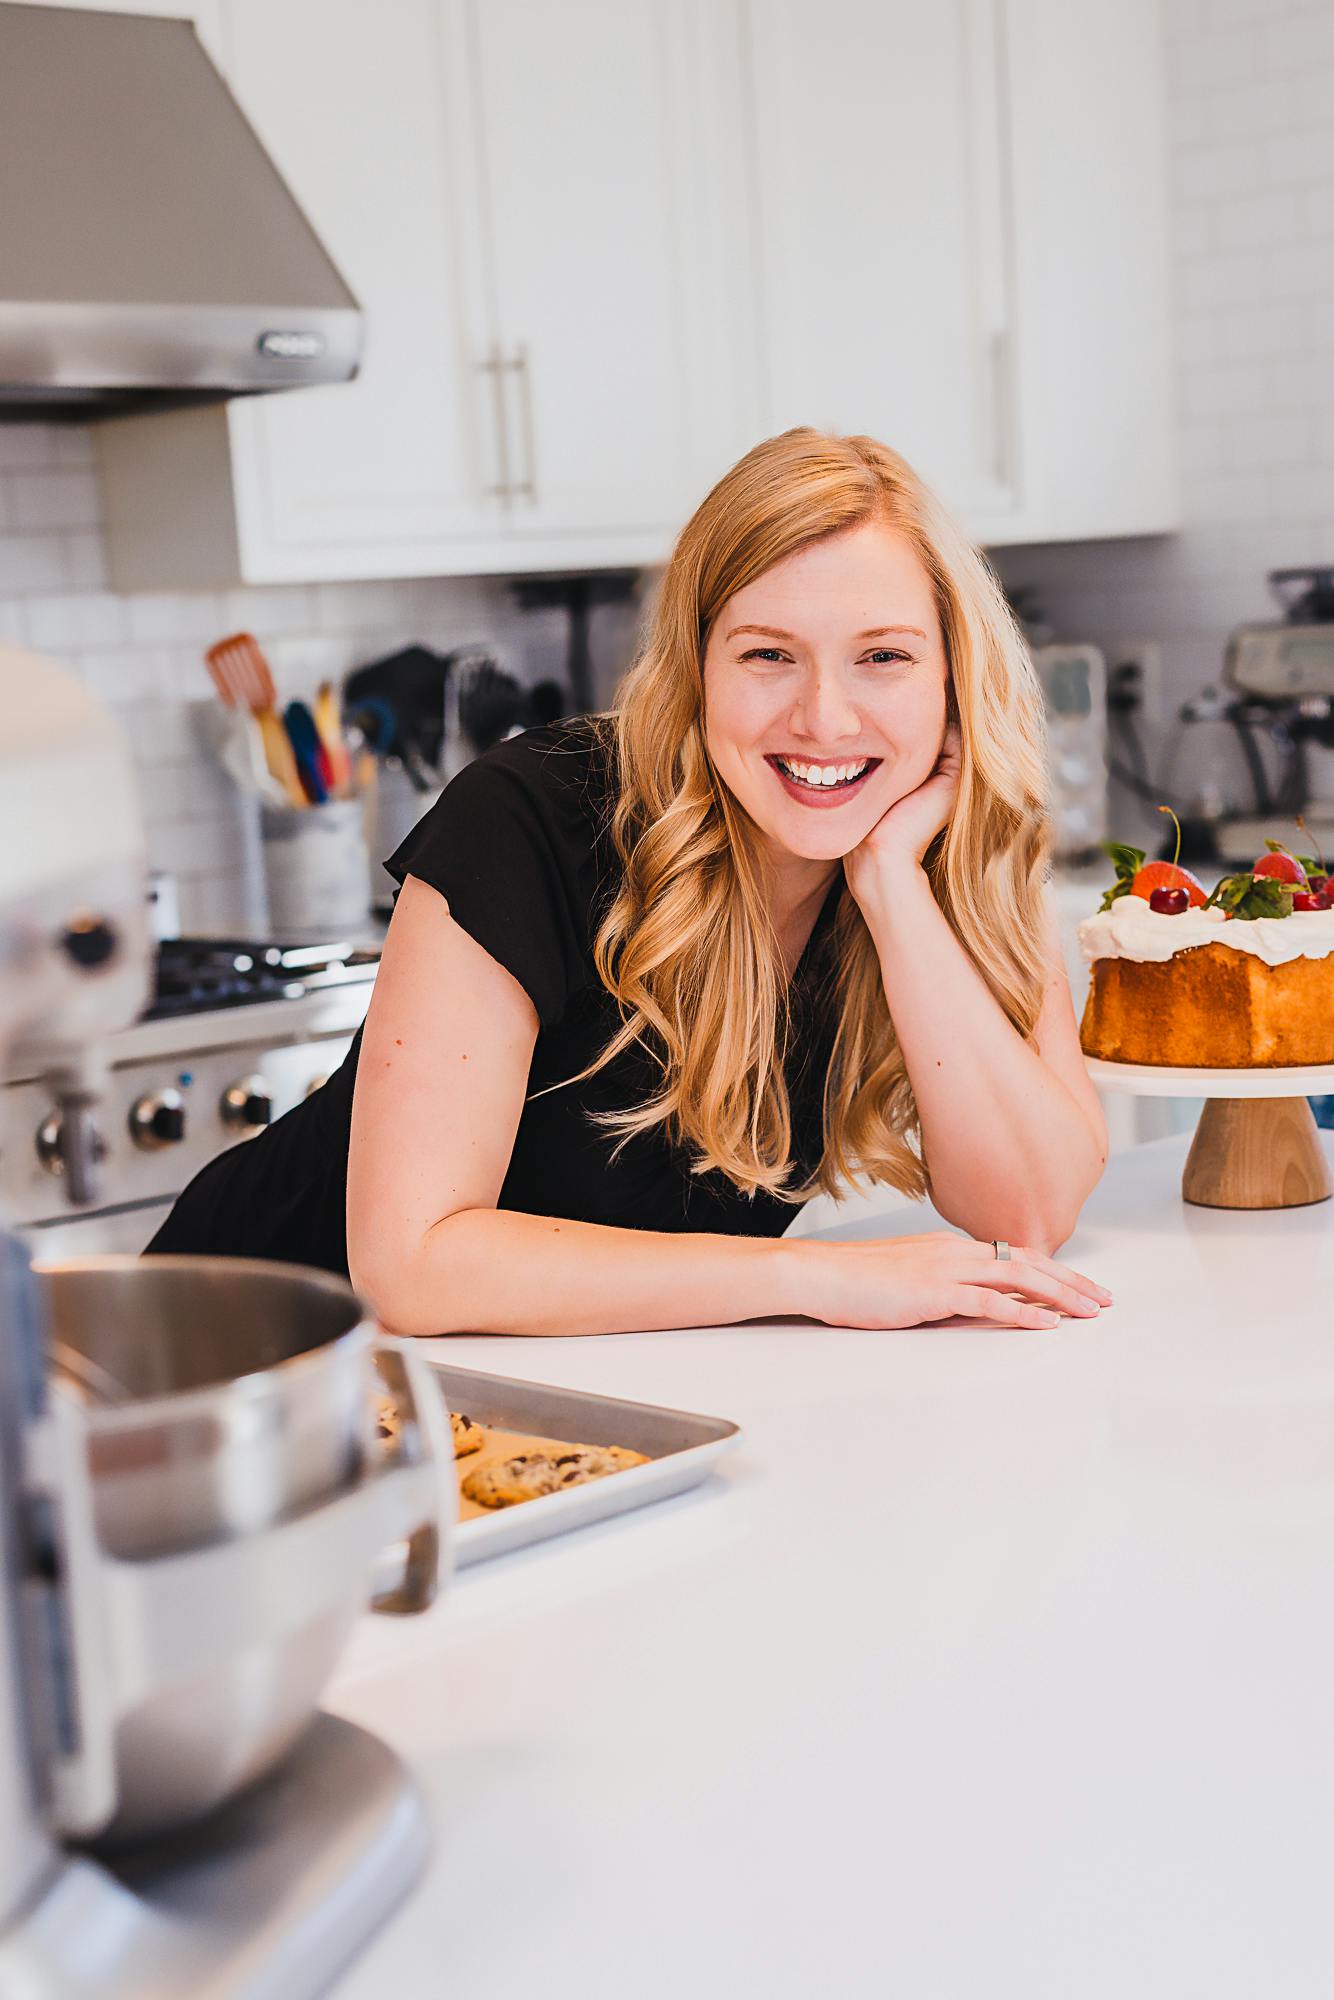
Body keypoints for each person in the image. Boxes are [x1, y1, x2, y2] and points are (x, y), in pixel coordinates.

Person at [148, 427, 1111, 1339]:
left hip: (546, 1401)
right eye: (768, 655)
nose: (825, 718)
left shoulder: (943, 844)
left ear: (952, 678)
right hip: (236, 1358)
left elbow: (1027, 1215)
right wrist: (817, 1278)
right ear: (697, 667)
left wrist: (893, 889)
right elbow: (413, 1263)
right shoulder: (529, 817)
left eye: (884, 657)